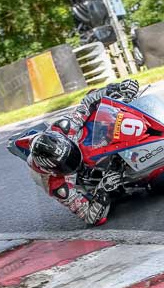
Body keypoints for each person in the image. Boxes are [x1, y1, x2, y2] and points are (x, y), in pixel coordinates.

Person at [20, 79, 140, 226]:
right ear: (52, 171)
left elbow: (88, 101)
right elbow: (90, 217)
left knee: (97, 103)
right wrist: (103, 190)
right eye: (65, 165)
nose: (73, 161)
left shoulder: (64, 128)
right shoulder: (57, 185)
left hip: (79, 140)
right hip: (80, 180)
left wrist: (118, 87)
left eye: (70, 155)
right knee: (115, 196)